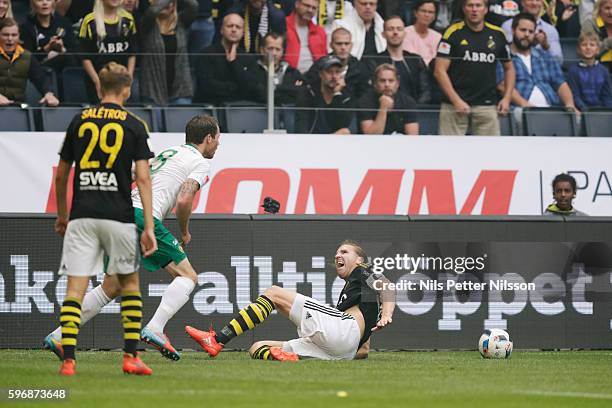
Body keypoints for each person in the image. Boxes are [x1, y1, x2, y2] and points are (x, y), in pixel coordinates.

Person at [44, 113, 220, 363]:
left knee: (112, 285)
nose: (218, 144)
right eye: (218, 138)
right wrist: (183, 232)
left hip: (122, 213)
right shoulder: (199, 162)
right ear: (209, 138)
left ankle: (60, 334)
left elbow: (136, 176)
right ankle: (156, 328)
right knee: (188, 276)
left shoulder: (169, 152)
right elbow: (184, 199)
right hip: (141, 216)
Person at [53, 62, 157, 376]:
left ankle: (69, 360)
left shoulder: (79, 120)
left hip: (83, 214)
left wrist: (62, 215)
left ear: (99, 88)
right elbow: (143, 178)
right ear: (126, 90)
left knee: (75, 288)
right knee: (129, 284)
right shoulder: (135, 124)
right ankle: (130, 357)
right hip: (119, 215)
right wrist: (149, 226)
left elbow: (61, 175)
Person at [185, 240, 396, 361]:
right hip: (343, 349)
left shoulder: (362, 271)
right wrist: (341, 353)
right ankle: (288, 358)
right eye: (336, 253)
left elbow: (387, 286)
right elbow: (364, 350)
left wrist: (386, 315)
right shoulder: (361, 294)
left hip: (342, 333)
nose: (338, 255)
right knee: (257, 347)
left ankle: (218, 339)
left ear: (359, 260)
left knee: (275, 293)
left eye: (344, 251)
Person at [434, 0, 515, 136]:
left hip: (487, 105)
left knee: (489, 154)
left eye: (478, 5)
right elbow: (439, 71)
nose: (474, 9)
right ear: (464, 9)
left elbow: (510, 69)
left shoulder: (498, 34)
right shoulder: (452, 33)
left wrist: (506, 98)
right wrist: (456, 100)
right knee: (449, 153)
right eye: (470, 5)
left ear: (486, 9)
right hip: (454, 105)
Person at [496, 13, 578, 111]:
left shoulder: (546, 57)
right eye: (523, 30)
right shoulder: (503, 56)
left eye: (531, 31)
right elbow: (502, 86)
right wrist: (526, 106)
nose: (527, 34)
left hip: (551, 110)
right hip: (519, 110)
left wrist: (570, 104)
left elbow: (561, 83)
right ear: (513, 30)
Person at [139, 0, 198, 106]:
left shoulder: (181, 23)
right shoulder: (147, 24)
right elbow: (152, 12)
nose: (166, 5)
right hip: (153, 91)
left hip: (181, 91)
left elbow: (193, 5)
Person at [78, 0, 138, 103]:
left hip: (121, 82)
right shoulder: (89, 21)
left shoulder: (128, 19)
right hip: (99, 82)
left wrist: (129, 78)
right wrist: (97, 82)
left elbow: (132, 53)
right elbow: (84, 57)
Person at [365, 15, 432, 104]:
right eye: (390, 29)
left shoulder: (415, 60)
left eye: (399, 29)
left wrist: (414, 108)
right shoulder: (374, 61)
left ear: (404, 34)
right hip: (383, 109)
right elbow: (371, 90)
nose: (395, 32)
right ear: (383, 34)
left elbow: (426, 90)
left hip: (413, 112)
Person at [193, 13, 252, 104]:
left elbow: (250, 87)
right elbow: (206, 86)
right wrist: (235, 88)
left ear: (243, 33)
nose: (234, 29)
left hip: (237, 110)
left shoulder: (247, 58)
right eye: (230, 26)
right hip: (210, 107)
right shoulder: (206, 54)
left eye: (238, 27)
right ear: (221, 30)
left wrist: (233, 63)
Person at [0, 18, 59, 106]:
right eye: (5, 35)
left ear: (19, 36)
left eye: (14, 35)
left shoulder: (27, 56)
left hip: (17, 106)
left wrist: (49, 94)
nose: (10, 38)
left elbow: (41, 78)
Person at [295, 55, 355, 133]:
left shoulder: (345, 95)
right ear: (320, 74)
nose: (334, 76)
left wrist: (337, 94)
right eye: (329, 72)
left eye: (337, 72)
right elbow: (302, 126)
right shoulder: (309, 93)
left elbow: (343, 124)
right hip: (312, 140)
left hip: (335, 141)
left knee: (344, 132)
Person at [304, 27, 369, 98]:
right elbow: (310, 90)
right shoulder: (320, 65)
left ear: (351, 45)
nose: (343, 47)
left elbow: (364, 97)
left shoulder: (360, 68)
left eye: (346, 44)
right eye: (339, 44)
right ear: (331, 45)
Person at [243, 31, 304, 105]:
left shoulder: (293, 73)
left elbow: (299, 95)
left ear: (282, 52)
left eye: (277, 49)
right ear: (262, 50)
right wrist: (285, 89)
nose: (274, 53)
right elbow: (259, 95)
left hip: (286, 114)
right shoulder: (252, 70)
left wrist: (274, 88)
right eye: (270, 48)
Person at [358, 63, 419, 134]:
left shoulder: (408, 102)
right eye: (382, 81)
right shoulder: (364, 102)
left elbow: (413, 138)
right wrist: (383, 108)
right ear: (375, 83)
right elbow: (372, 137)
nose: (387, 85)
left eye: (391, 81)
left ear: (398, 83)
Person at [20, 0, 77, 73]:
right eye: (40, 0)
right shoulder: (26, 27)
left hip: (65, 73)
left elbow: (76, 53)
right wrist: (47, 48)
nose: (45, 3)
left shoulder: (64, 23)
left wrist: (62, 49)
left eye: (48, 0)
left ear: (53, 2)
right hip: (39, 72)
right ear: (33, 3)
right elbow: (26, 59)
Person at [567, 31, 612, 110]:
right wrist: (586, 111)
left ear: (597, 49)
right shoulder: (573, 70)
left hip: (601, 111)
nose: (588, 47)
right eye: (584, 45)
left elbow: (607, 96)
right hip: (582, 111)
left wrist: (607, 112)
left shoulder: (604, 71)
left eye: (592, 45)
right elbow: (575, 95)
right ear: (579, 49)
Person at [284, 0, 327, 73]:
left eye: (314, 8)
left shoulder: (320, 32)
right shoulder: (283, 25)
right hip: (288, 75)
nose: (310, 10)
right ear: (297, 4)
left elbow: (324, 59)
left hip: (315, 76)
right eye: (307, 6)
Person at [403, 0, 442, 66]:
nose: (426, 15)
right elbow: (411, 58)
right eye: (423, 11)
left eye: (430, 12)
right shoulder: (405, 33)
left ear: (434, 16)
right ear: (415, 13)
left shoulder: (438, 36)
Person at [582, 0, 612, 73]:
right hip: (596, 70)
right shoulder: (589, 24)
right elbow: (589, 52)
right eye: (607, 8)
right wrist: (609, 42)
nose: (611, 12)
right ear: (599, 10)